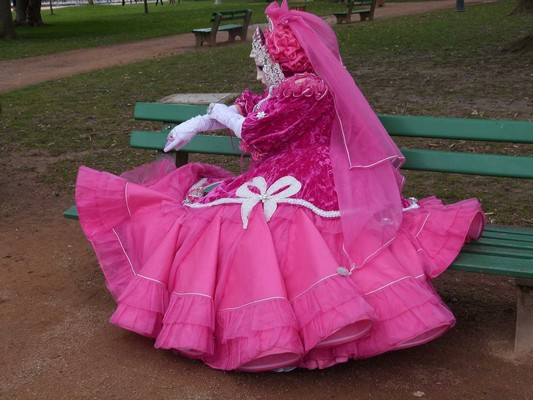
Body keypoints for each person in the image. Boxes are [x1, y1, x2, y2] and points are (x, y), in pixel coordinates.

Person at [75, 0, 485, 372]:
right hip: (279, 173)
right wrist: (205, 119)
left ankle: (285, 330)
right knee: (226, 220)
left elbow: (257, 132)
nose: (256, 67)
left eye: (261, 59)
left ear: (281, 58)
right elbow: (253, 106)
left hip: (309, 179)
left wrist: (216, 113)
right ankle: (268, 326)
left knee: (257, 228)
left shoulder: (310, 88)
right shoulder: (289, 86)